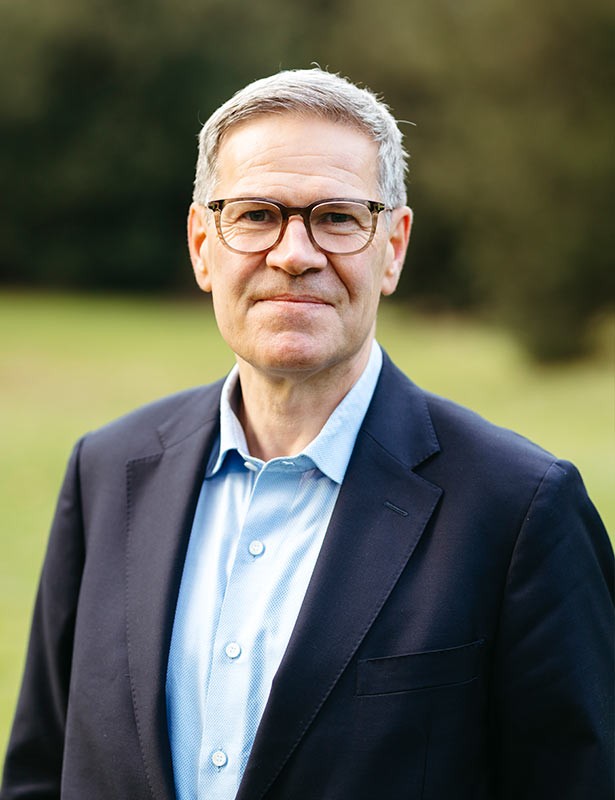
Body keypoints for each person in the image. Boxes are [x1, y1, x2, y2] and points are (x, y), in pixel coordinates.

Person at [1, 67, 613, 800]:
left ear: (391, 246)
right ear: (203, 244)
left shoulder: (519, 510)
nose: (294, 253)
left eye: (337, 217)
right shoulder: (106, 470)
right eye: (256, 215)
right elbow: (42, 773)